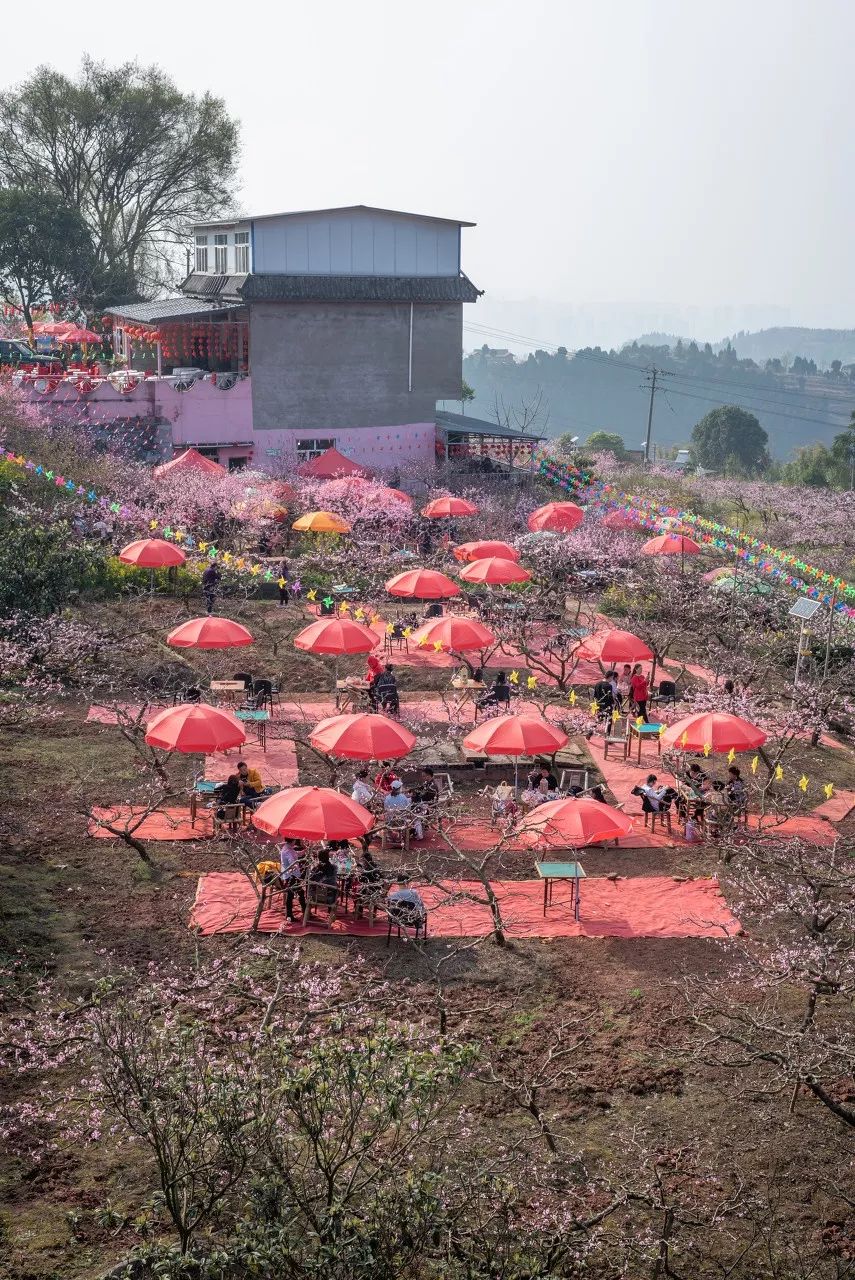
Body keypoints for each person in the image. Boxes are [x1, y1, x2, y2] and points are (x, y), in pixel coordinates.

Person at [308, 849, 339, 925]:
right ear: (328, 857)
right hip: (329, 898)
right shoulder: (333, 868)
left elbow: (310, 881)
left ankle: (308, 911)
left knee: (316, 887)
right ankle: (331, 910)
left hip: (314, 896)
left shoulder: (315, 869)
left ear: (318, 858)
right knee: (336, 888)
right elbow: (333, 881)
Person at [278, 839, 306, 922]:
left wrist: (304, 851)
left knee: (298, 893)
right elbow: (292, 863)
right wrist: (298, 866)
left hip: (288, 875)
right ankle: (290, 914)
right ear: (293, 840)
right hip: (291, 876)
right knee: (293, 895)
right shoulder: (289, 850)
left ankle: (303, 911)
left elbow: (296, 854)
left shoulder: (287, 847)